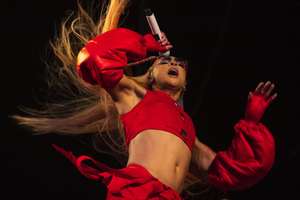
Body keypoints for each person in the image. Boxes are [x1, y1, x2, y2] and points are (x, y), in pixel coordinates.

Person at [13, 0, 277, 199]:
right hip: (138, 193)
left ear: (186, 84)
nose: (173, 63)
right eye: (165, 61)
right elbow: (93, 58)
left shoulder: (188, 128)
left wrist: (251, 122)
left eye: (179, 63)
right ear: (150, 74)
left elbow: (229, 172)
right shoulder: (135, 95)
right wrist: (144, 45)